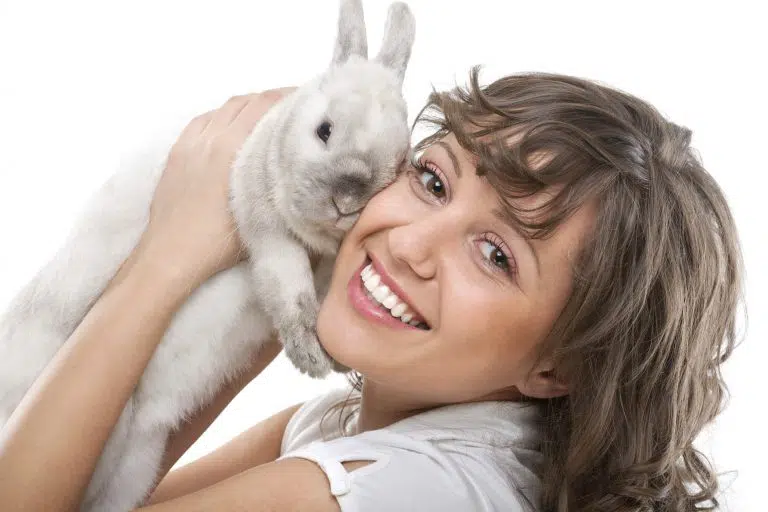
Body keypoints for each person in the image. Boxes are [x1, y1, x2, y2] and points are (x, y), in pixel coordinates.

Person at [0, 68, 741, 511]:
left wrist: (169, 257)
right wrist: (263, 294)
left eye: (495, 255)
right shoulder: (346, 429)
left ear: (558, 367)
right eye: (433, 181)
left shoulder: (402, 488)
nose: (409, 242)